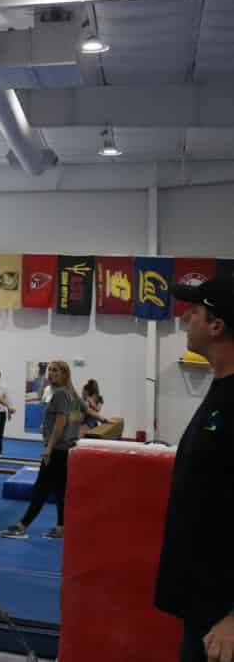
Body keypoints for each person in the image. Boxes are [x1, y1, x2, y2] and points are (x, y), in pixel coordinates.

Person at [156, 276, 234, 662]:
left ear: (217, 326)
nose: (186, 318)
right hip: (204, 603)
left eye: (196, 312)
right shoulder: (221, 389)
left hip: (224, 617)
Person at [0, 360, 83, 541]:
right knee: (60, 489)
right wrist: (101, 419)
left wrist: (49, 448)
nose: (51, 374)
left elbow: (60, 423)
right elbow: (84, 413)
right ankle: (61, 527)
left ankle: (22, 526)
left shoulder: (61, 394)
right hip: (67, 449)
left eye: (55, 371)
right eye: (50, 370)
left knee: (41, 488)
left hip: (57, 449)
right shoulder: (71, 394)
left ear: (64, 374)